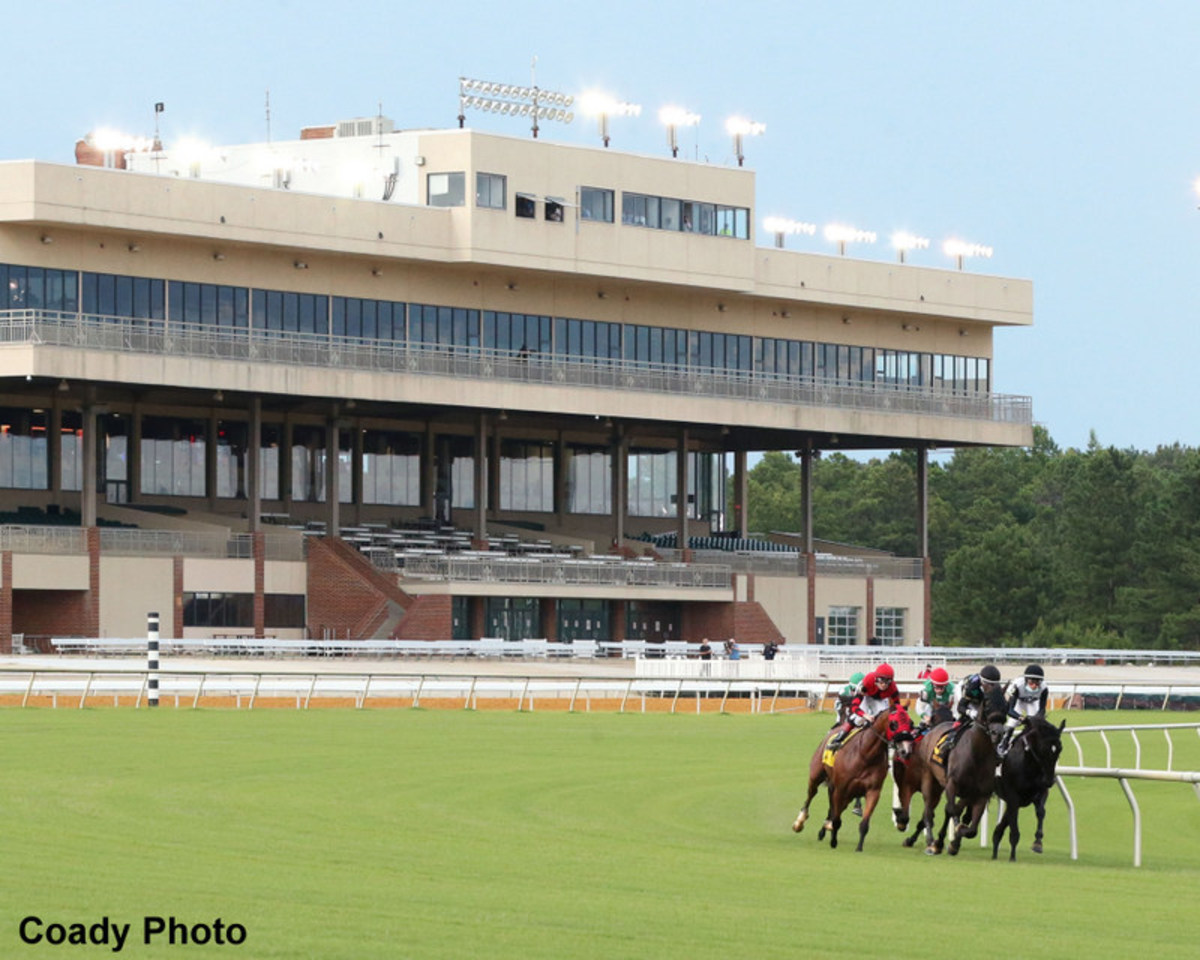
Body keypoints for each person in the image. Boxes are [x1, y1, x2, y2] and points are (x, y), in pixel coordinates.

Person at [828, 663, 900, 751]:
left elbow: (898, 708)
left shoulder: (893, 688)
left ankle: (893, 741)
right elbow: (854, 706)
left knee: (883, 718)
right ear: (876, 678)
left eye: (887, 681)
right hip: (866, 696)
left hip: (881, 699)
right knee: (858, 718)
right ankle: (839, 739)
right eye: (881, 680)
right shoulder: (867, 682)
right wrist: (865, 715)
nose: (884, 684)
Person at [944, 664, 1002, 752]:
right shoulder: (972, 686)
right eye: (990, 685)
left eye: (994, 685)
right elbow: (961, 707)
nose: (992, 688)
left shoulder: (996, 689)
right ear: (983, 682)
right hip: (964, 693)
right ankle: (950, 740)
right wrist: (969, 712)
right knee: (963, 718)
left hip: (979, 698)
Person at [997, 664, 1049, 757]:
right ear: (1025, 680)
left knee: (1037, 723)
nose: (1034, 686)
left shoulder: (1044, 688)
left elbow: (1042, 709)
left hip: (1033, 702)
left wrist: (1036, 718)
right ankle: (1003, 745)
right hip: (1019, 701)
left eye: (1037, 683)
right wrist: (1021, 718)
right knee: (1012, 723)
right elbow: (1010, 709)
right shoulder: (1017, 685)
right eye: (1031, 682)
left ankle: (1039, 745)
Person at [914, 666, 954, 737]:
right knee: (927, 708)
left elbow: (956, 708)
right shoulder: (926, 691)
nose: (939, 690)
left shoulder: (952, 691)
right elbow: (919, 706)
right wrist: (925, 717)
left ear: (946, 685)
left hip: (947, 713)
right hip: (930, 711)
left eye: (941, 687)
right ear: (932, 685)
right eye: (936, 687)